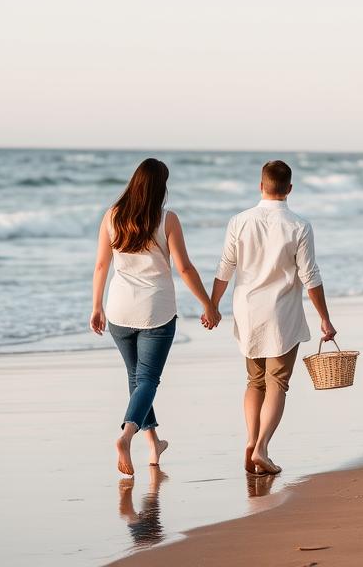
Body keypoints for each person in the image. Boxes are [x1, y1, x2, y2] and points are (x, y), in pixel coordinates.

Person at [90, 157, 221, 476]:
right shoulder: (167, 219)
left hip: (119, 310)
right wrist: (208, 304)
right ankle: (126, 435)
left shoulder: (112, 216)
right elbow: (185, 268)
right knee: (148, 380)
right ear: (161, 187)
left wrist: (97, 306)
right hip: (156, 312)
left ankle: (154, 444)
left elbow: (101, 266)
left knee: (136, 380)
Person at [208, 159, 337, 476]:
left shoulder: (239, 221)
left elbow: (225, 269)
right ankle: (262, 447)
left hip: (247, 310)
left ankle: (251, 441)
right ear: (289, 189)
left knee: (254, 381)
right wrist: (325, 319)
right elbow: (310, 276)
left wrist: (212, 306)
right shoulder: (299, 226)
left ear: (260, 186)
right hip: (282, 313)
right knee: (277, 382)